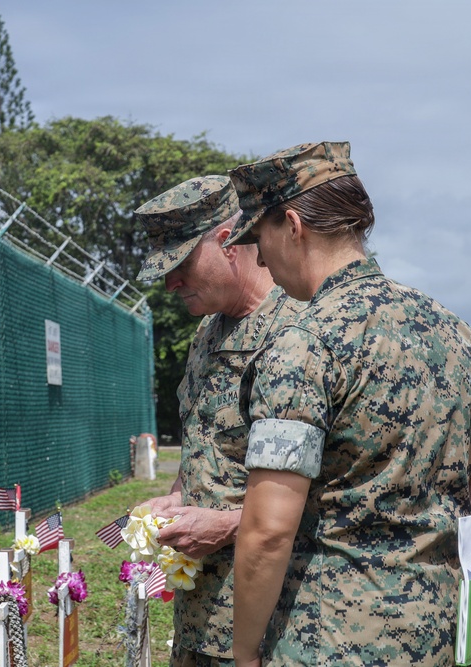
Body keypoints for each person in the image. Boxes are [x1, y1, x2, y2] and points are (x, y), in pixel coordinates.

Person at [223, 141, 471, 666]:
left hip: (325, 644)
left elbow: (269, 530)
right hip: (442, 640)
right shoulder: (453, 334)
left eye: (260, 238)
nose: (260, 257)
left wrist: (245, 653)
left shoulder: (303, 346)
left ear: (293, 225)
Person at [133, 175, 303, 667]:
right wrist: (178, 496)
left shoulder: (299, 331)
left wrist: (228, 526)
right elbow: (202, 441)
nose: (170, 283)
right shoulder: (207, 334)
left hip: (273, 625)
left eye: (182, 264)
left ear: (229, 242)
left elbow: (334, 486)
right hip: (200, 616)